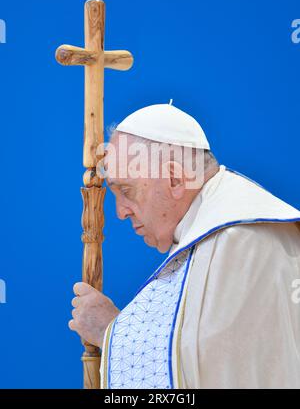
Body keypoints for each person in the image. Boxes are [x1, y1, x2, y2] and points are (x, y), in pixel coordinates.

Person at [69, 102, 300, 389]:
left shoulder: (241, 241)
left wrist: (111, 333)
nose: (120, 212)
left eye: (126, 191)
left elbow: (219, 370)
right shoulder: (224, 226)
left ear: (175, 179)